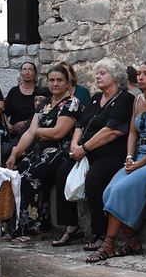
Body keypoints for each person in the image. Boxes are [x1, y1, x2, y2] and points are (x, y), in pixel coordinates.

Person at [85, 61, 146, 262]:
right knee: (108, 191)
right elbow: (132, 133)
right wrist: (130, 157)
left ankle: (108, 244)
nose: (140, 77)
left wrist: (140, 164)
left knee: (120, 190)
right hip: (139, 154)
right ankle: (132, 240)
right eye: (139, 73)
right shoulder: (137, 100)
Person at [54, 58, 134, 249]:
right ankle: (72, 226)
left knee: (94, 180)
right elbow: (80, 124)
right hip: (84, 151)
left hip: (110, 154)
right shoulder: (96, 98)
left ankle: (100, 232)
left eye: (102, 73)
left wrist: (84, 148)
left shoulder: (125, 99)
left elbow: (112, 131)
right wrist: (75, 145)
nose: (97, 76)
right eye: (97, 73)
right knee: (62, 172)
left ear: (116, 77)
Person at [5, 65, 81, 240]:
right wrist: (15, 154)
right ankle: (14, 226)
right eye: (51, 80)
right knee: (14, 174)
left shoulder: (72, 104)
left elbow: (58, 133)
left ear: (67, 82)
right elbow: (29, 133)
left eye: (59, 80)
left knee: (29, 177)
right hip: (40, 150)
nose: (55, 84)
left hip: (59, 152)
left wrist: (37, 131)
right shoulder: (45, 103)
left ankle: (31, 228)